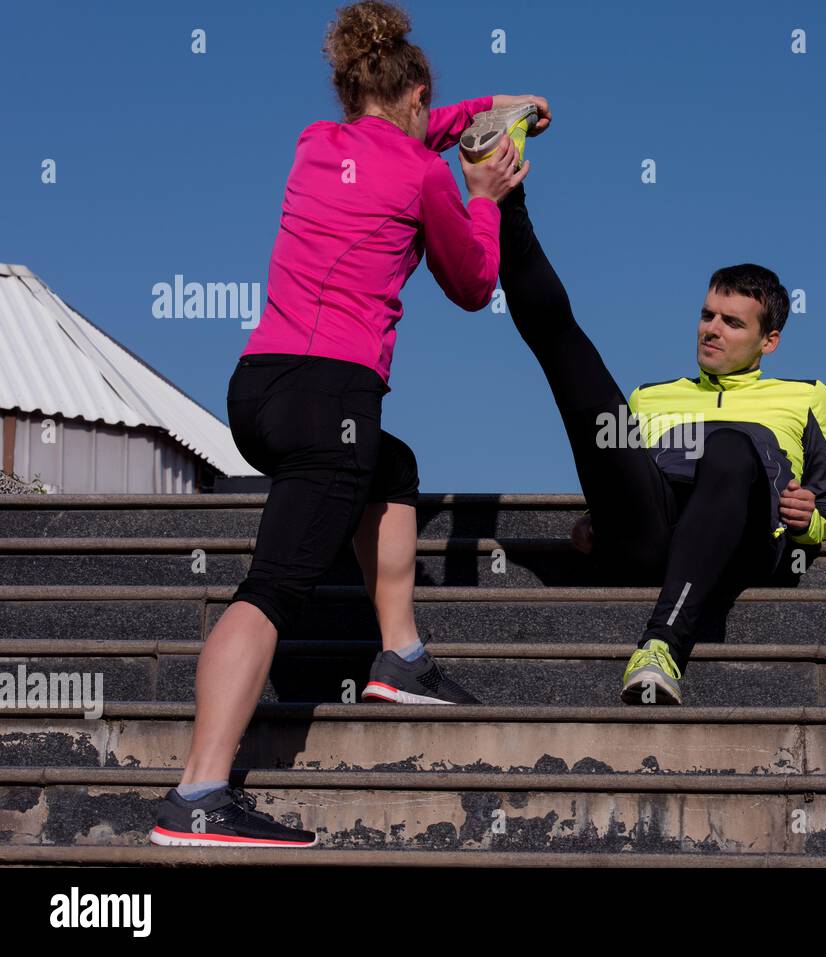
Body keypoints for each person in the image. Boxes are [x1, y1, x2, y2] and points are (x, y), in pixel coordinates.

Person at [150, 0, 550, 847]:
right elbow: (475, 283)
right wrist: (482, 192)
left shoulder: (312, 144)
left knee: (392, 469)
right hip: (333, 396)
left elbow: (409, 129)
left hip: (260, 390)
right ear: (414, 92)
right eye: (429, 108)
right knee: (271, 589)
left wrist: (485, 114)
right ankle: (198, 793)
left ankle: (400, 658)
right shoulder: (424, 177)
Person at [497, 183, 826, 706]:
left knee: (729, 447)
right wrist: (599, 515)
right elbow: (629, 479)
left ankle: (662, 646)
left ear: (768, 341)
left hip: (744, 538)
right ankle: (505, 203)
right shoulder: (652, 396)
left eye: (732, 322)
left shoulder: (806, 397)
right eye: (707, 315)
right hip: (651, 536)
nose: (712, 330)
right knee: (577, 369)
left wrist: (807, 517)